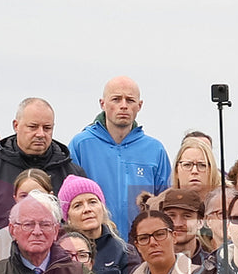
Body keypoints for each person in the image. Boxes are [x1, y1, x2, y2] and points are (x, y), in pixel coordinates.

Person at [0, 97, 86, 270]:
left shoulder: (72, 174)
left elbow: (84, 232)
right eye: (33, 127)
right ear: (16, 125)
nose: (40, 134)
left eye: (47, 128)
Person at [69, 76, 170, 234]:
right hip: (95, 244)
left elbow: (165, 204)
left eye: (130, 100)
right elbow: (68, 201)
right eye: (116, 99)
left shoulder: (155, 150)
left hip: (143, 246)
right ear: (102, 104)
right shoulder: (81, 145)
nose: (123, 106)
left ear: (139, 105)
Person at [57, 175, 137, 274]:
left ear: (102, 207)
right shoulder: (57, 255)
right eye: (77, 205)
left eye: (92, 202)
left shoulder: (125, 252)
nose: (87, 209)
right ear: (67, 217)